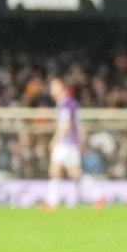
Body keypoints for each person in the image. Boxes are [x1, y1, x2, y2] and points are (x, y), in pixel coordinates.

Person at [45, 78, 81, 210]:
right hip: (71, 143)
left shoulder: (65, 104)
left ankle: (52, 202)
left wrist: (54, 140)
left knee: (54, 171)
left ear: (62, 88)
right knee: (75, 174)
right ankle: (97, 196)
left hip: (64, 142)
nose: (51, 90)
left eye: (54, 87)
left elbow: (65, 125)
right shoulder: (70, 103)